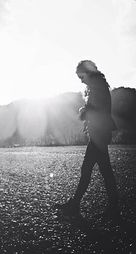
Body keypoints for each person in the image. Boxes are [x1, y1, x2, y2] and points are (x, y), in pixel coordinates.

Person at [57, 60, 119, 219]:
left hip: (99, 133)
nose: (81, 80)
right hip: (99, 133)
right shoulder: (99, 85)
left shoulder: (97, 87)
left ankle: (78, 205)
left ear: (87, 72)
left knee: (92, 170)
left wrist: (83, 112)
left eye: (81, 76)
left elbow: (96, 110)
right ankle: (80, 205)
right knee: (100, 171)